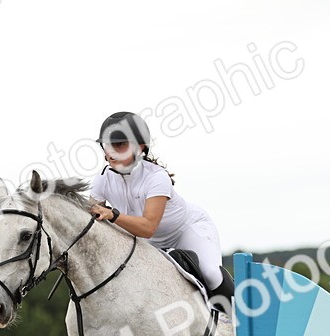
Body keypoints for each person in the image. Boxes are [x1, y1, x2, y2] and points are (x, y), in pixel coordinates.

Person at [88, 111, 231, 302]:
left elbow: (148, 228)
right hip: (149, 244)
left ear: (140, 147)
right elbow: (91, 223)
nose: (112, 151)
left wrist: (113, 215)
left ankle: (239, 315)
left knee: (211, 274)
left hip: (186, 231)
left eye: (120, 144)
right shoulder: (101, 180)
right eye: (108, 145)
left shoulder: (156, 177)